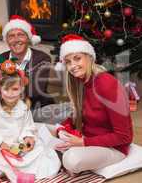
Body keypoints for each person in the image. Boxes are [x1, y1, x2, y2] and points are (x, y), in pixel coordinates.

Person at [53, 34, 133, 174]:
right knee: (41, 128)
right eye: (68, 62)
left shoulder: (107, 84)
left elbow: (124, 136)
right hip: (86, 139)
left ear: (89, 57)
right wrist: (61, 130)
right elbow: (74, 119)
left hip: (112, 148)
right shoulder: (79, 83)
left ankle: (59, 157)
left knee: (71, 159)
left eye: (77, 58)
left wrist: (82, 143)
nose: (73, 66)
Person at [0, 60, 61, 181]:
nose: (10, 94)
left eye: (15, 89)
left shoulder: (23, 107)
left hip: (17, 147)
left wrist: (28, 137)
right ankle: (3, 171)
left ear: (21, 89)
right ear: (0, 88)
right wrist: (0, 143)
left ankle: (14, 171)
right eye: (6, 89)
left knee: (40, 150)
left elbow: (28, 127)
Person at [0, 15, 54, 121]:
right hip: (4, 110)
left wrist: (4, 88)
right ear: (6, 40)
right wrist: (2, 108)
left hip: (35, 108)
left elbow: (35, 91)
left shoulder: (43, 58)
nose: (16, 40)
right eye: (11, 36)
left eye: (20, 35)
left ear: (28, 38)